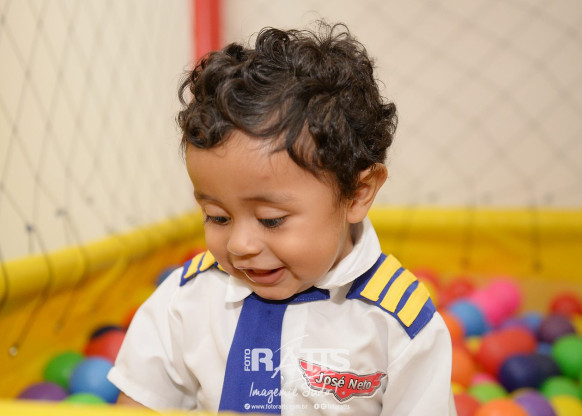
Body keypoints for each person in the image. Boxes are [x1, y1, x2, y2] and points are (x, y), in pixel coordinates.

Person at [108, 21, 456, 415]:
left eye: (271, 220)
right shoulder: (185, 300)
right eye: (217, 217)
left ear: (358, 193)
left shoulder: (398, 322)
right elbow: (139, 404)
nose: (240, 245)